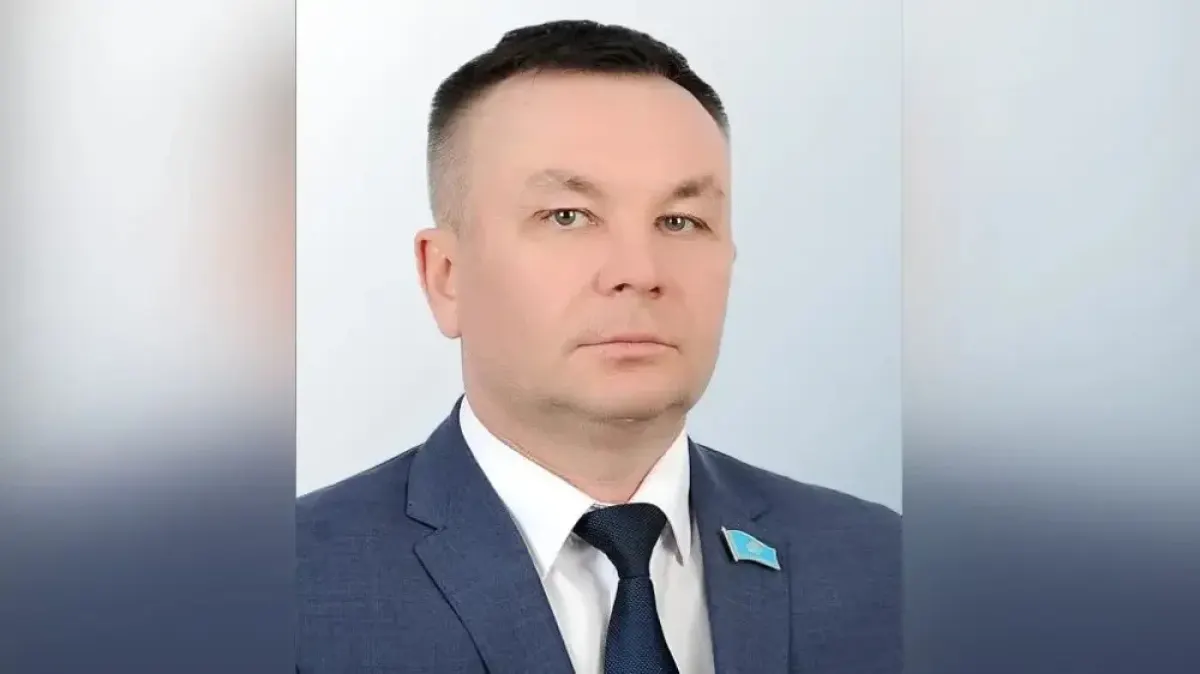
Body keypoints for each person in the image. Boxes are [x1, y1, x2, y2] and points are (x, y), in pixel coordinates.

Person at [297, 19, 899, 674]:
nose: (639, 271)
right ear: (446, 275)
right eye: (568, 216)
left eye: (680, 220)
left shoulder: (883, 566)